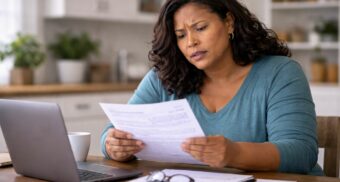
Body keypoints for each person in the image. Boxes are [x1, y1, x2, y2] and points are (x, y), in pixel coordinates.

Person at [101, 0, 323, 175]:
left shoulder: (280, 73)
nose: (191, 42)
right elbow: (111, 133)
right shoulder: (163, 78)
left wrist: (235, 153)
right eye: (181, 35)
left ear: (229, 23)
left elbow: (301, 153)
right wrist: (115, 146)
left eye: (200, 28)